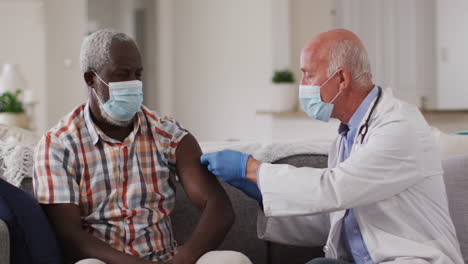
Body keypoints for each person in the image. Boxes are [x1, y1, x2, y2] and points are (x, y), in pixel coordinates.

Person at [200, 29, 464, 264]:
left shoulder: (400, 125)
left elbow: (335, 187)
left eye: (309, 75)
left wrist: (253, 170)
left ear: (341, 79)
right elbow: (333, 219)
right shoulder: (346, 137)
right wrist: (260, 193)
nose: (302, 86)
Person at [33, 29, 251, 264]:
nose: (133, 83)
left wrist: (182, 260)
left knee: (233, 260)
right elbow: (69, 237)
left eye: (138, 74)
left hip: (168, 259)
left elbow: (218, 207)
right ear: (91, 79)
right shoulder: (57, 145)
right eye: (122, 74)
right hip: (106, 262)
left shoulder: (168, 133)